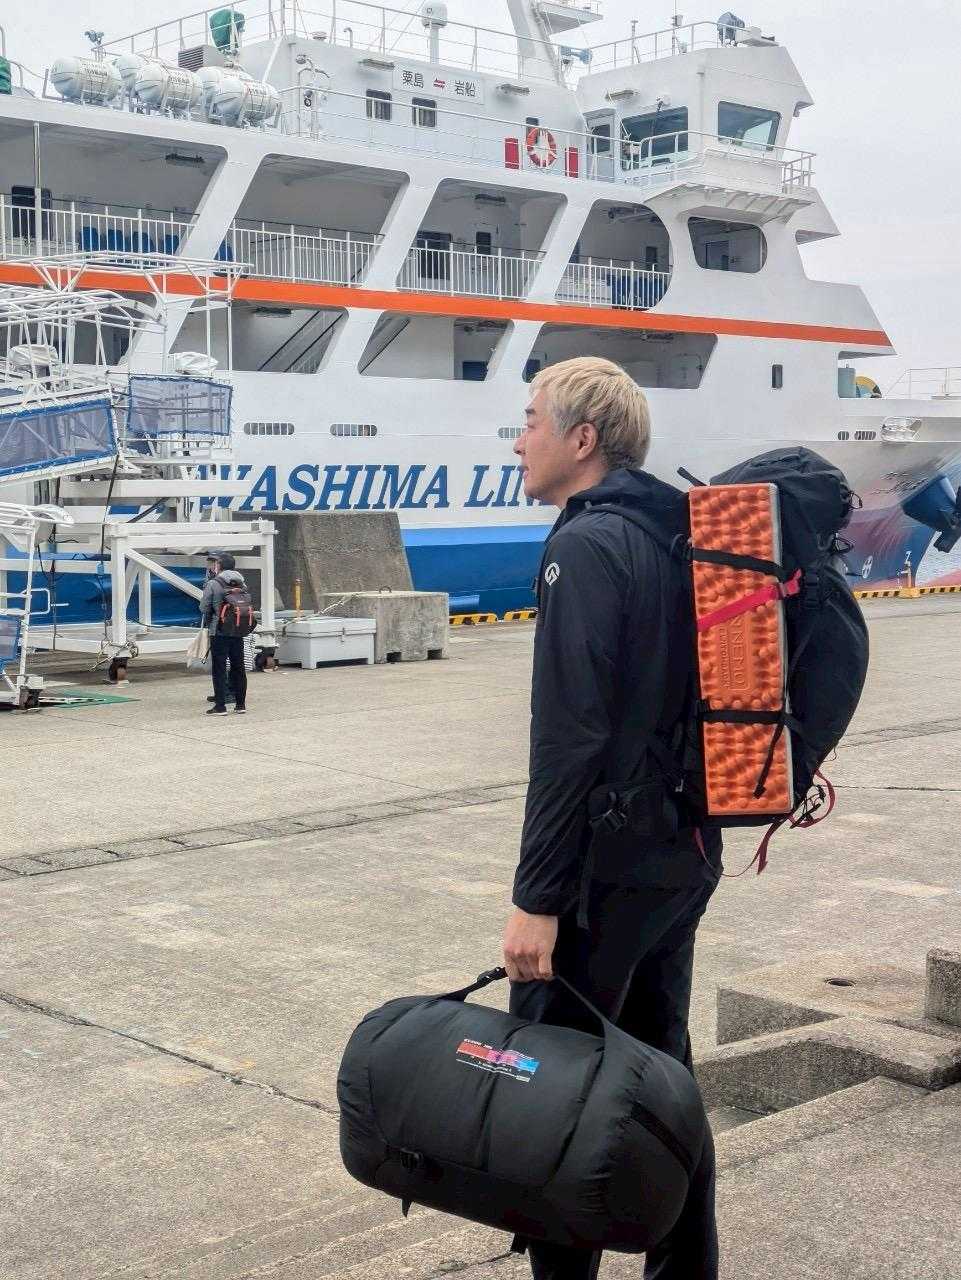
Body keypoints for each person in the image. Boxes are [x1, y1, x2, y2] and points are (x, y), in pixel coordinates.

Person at [502, 357, 722, 1280]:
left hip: (607, 869)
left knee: (556, 1090)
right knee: (660, 1077)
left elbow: (570, 738)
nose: (518, 441)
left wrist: (536, 898)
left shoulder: (586, 546)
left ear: (581, 439)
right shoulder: (669, 535)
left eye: (530, 421)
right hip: (681, 849)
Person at [200, 551, 248, 715]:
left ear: (219, 566)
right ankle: (240, 705)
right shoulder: (241, 582)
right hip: (238, 629)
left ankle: (220, 706)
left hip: (219, 630)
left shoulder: (214, 583)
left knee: (219, 668)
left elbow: (203, 607)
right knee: (238, 667)